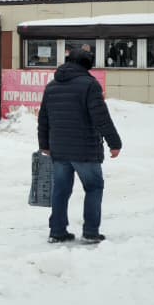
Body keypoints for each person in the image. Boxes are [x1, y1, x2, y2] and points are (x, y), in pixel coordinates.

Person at [36, 46, 122, 244]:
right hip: (85, 150)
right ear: (86, 65)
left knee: (61, 190)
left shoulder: (52, 86)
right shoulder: (90, 85)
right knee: (94, 187)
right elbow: (101, 117)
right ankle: (91, 232)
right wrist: (114, 143)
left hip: (59, 150)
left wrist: (44, 145)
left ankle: (57, 232)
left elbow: (43, 119)